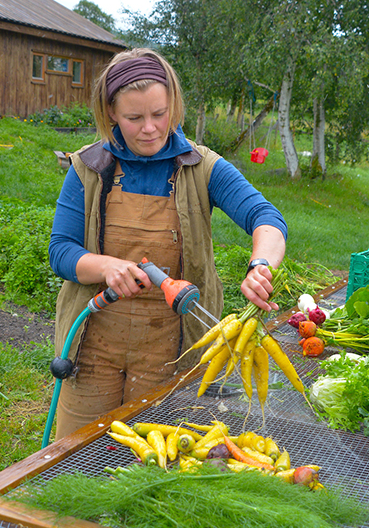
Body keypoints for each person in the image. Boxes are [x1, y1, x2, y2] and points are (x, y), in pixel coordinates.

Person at [48, 47, 287, 440]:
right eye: (134, 117)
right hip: (93, 345)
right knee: (77, 458)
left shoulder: (202, 167)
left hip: (172, 349)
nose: (150, 128)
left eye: (159, 114)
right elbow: (61, 251)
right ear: (111, 113)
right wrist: (107, 267)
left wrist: (261, 266)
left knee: (156, 464)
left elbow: (268, 220)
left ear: (173, 105)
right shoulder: (88, 168)